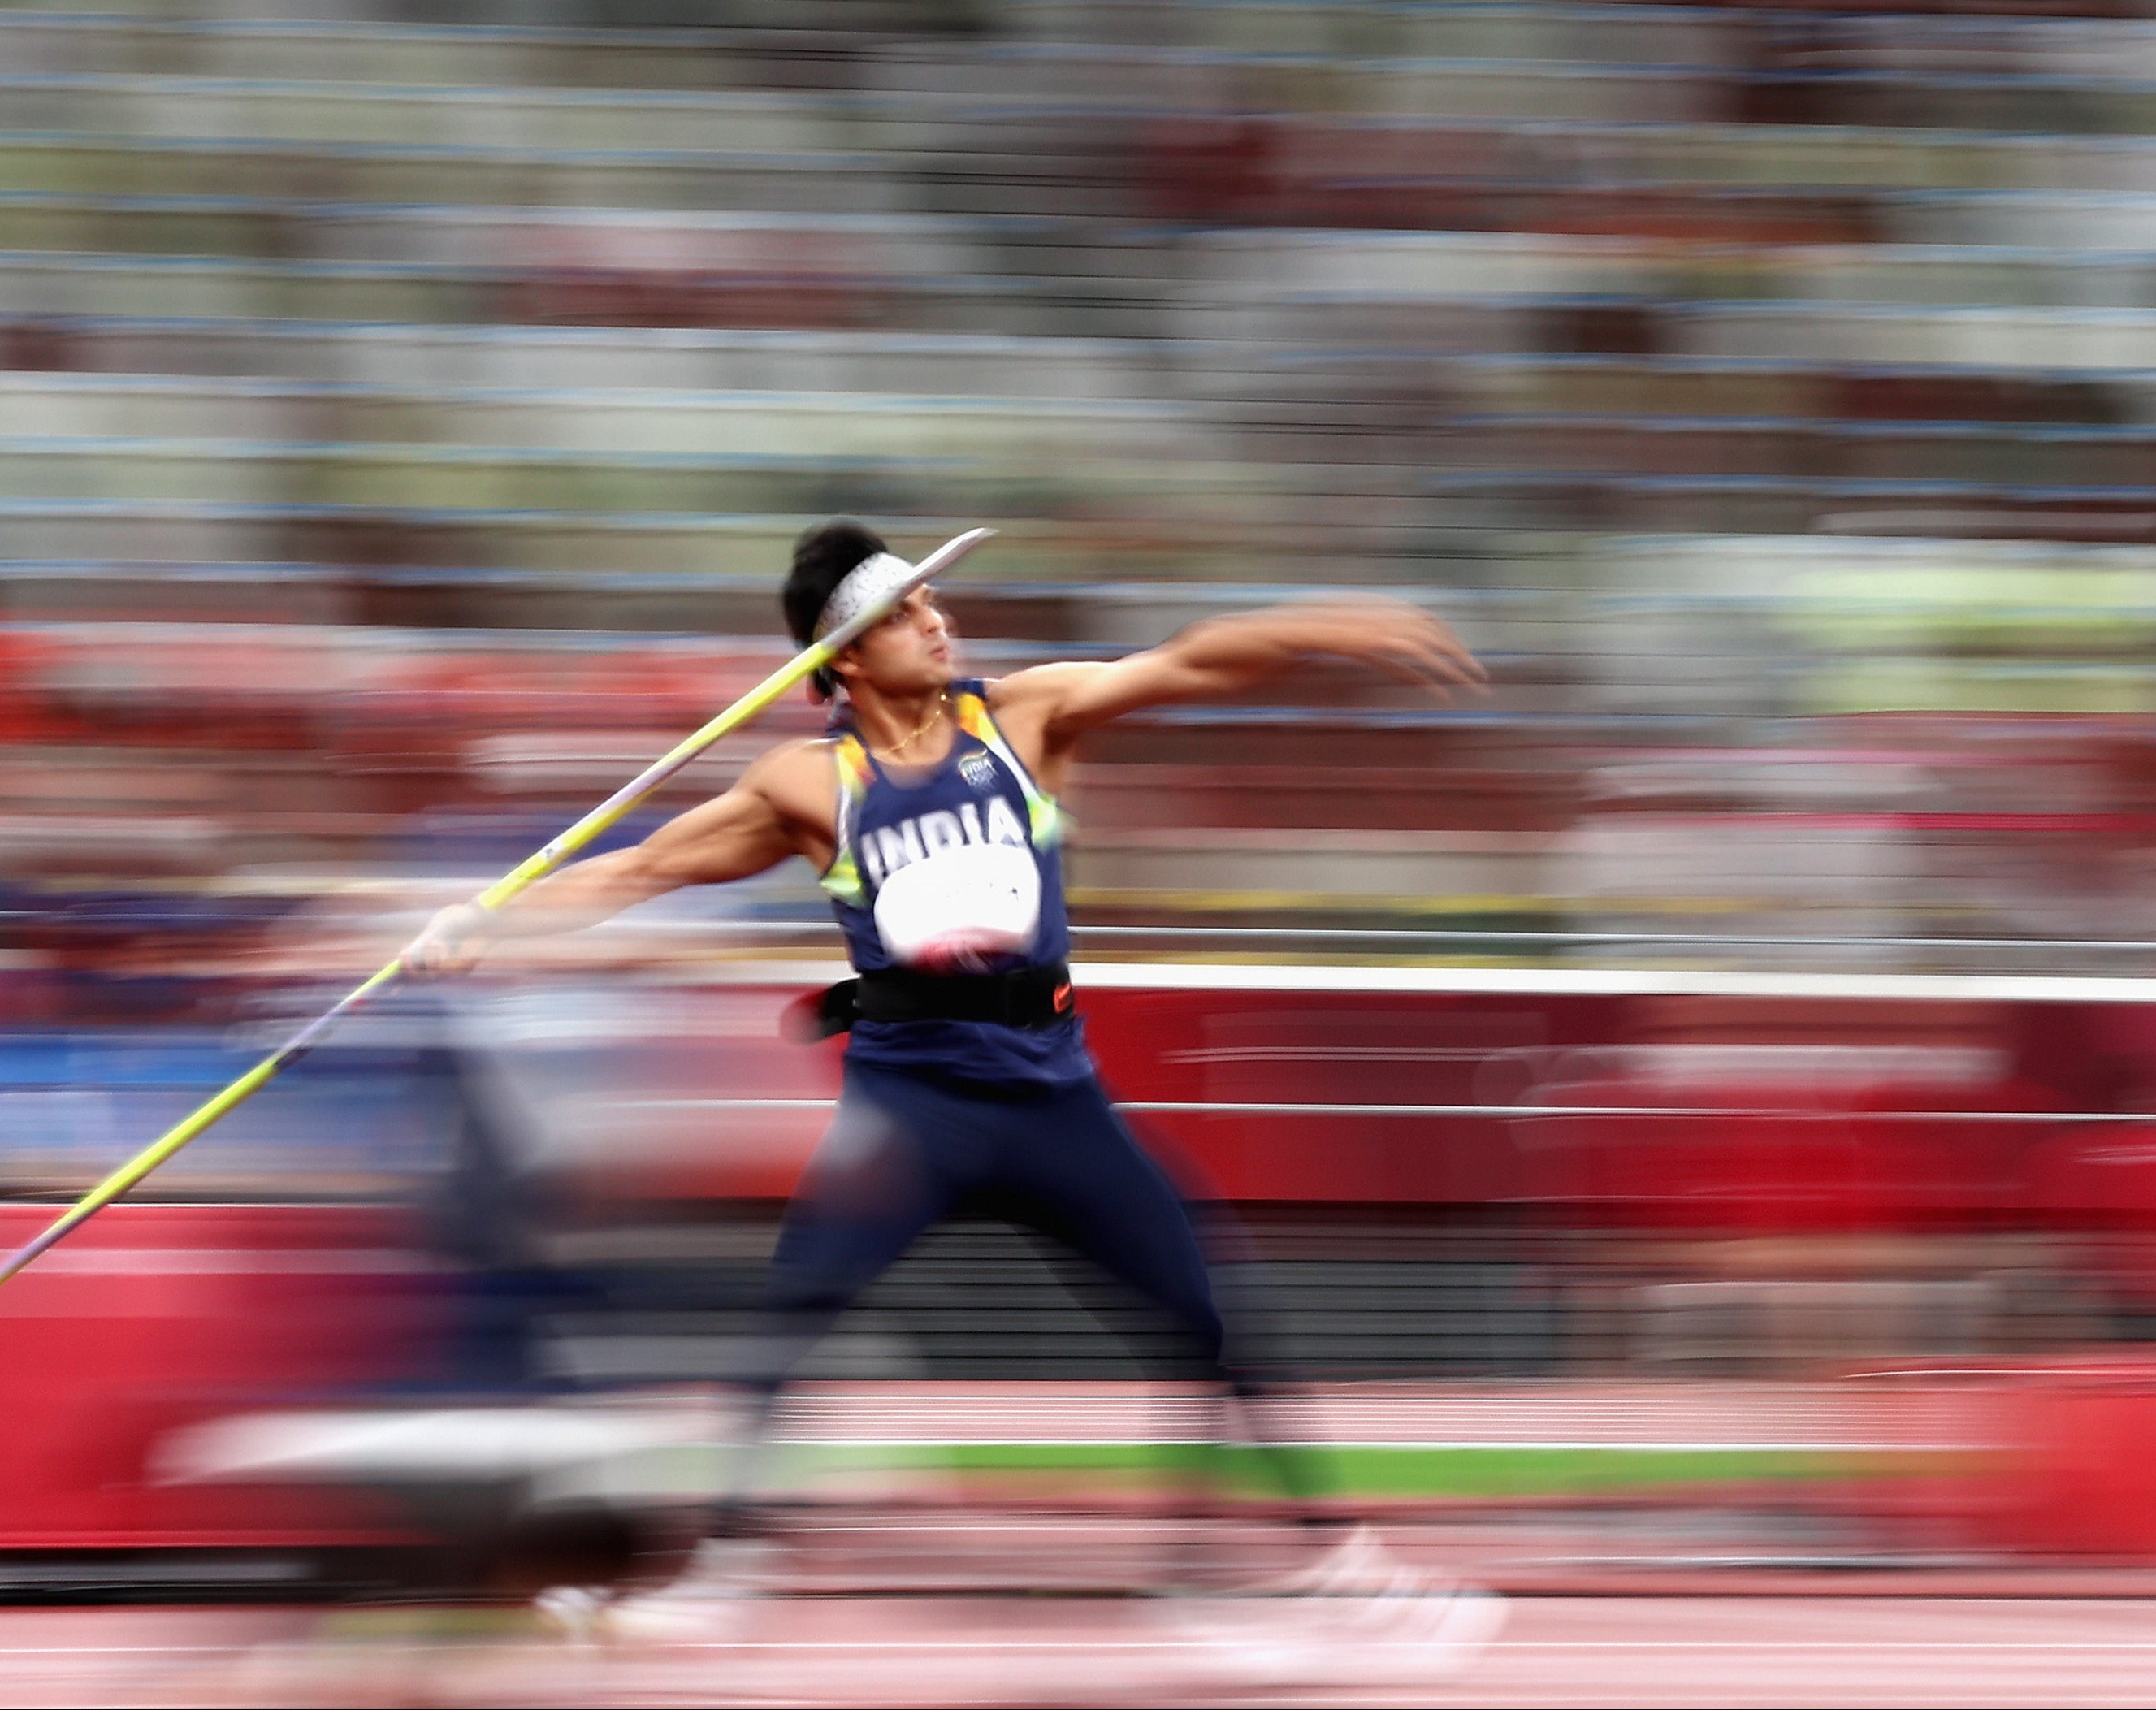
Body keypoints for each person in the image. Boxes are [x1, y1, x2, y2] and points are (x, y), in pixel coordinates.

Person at [400, 520, 1500, 1660]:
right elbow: (639, 867)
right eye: (906, 611)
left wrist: (1327, 628)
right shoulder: (805, 781)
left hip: (1052, 1097)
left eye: (934, 602)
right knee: (791, 1318)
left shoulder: (1022, 716)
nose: (939, 619)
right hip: (911, 1111)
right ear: (840, 660)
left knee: (1212, 1313)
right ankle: (717, 1572)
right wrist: (485, 925)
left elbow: (1193, 659)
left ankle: (1328, 1562)